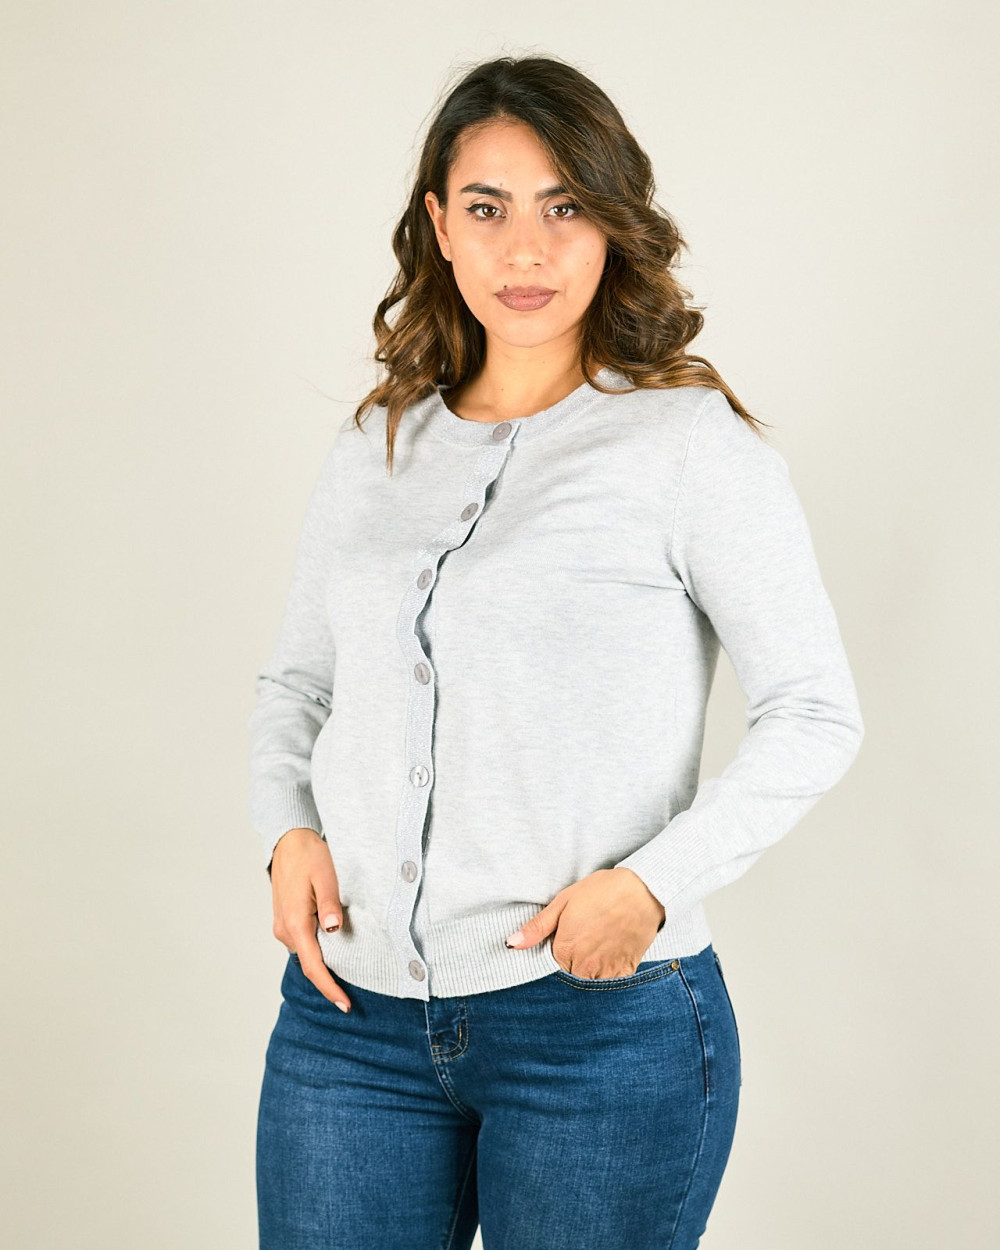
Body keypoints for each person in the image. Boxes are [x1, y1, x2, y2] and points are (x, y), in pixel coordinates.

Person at [248, 53, 864, 1250]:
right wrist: (285, 830)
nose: (524, 250)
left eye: (564, 206)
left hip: (595, 1026)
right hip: (348, 1023)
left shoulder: (685, 444)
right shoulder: (377, 443)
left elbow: (814, 710)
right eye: (487, 208)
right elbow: (297, 683)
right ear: (438, 224)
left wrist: (652, 885)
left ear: (614, 221)